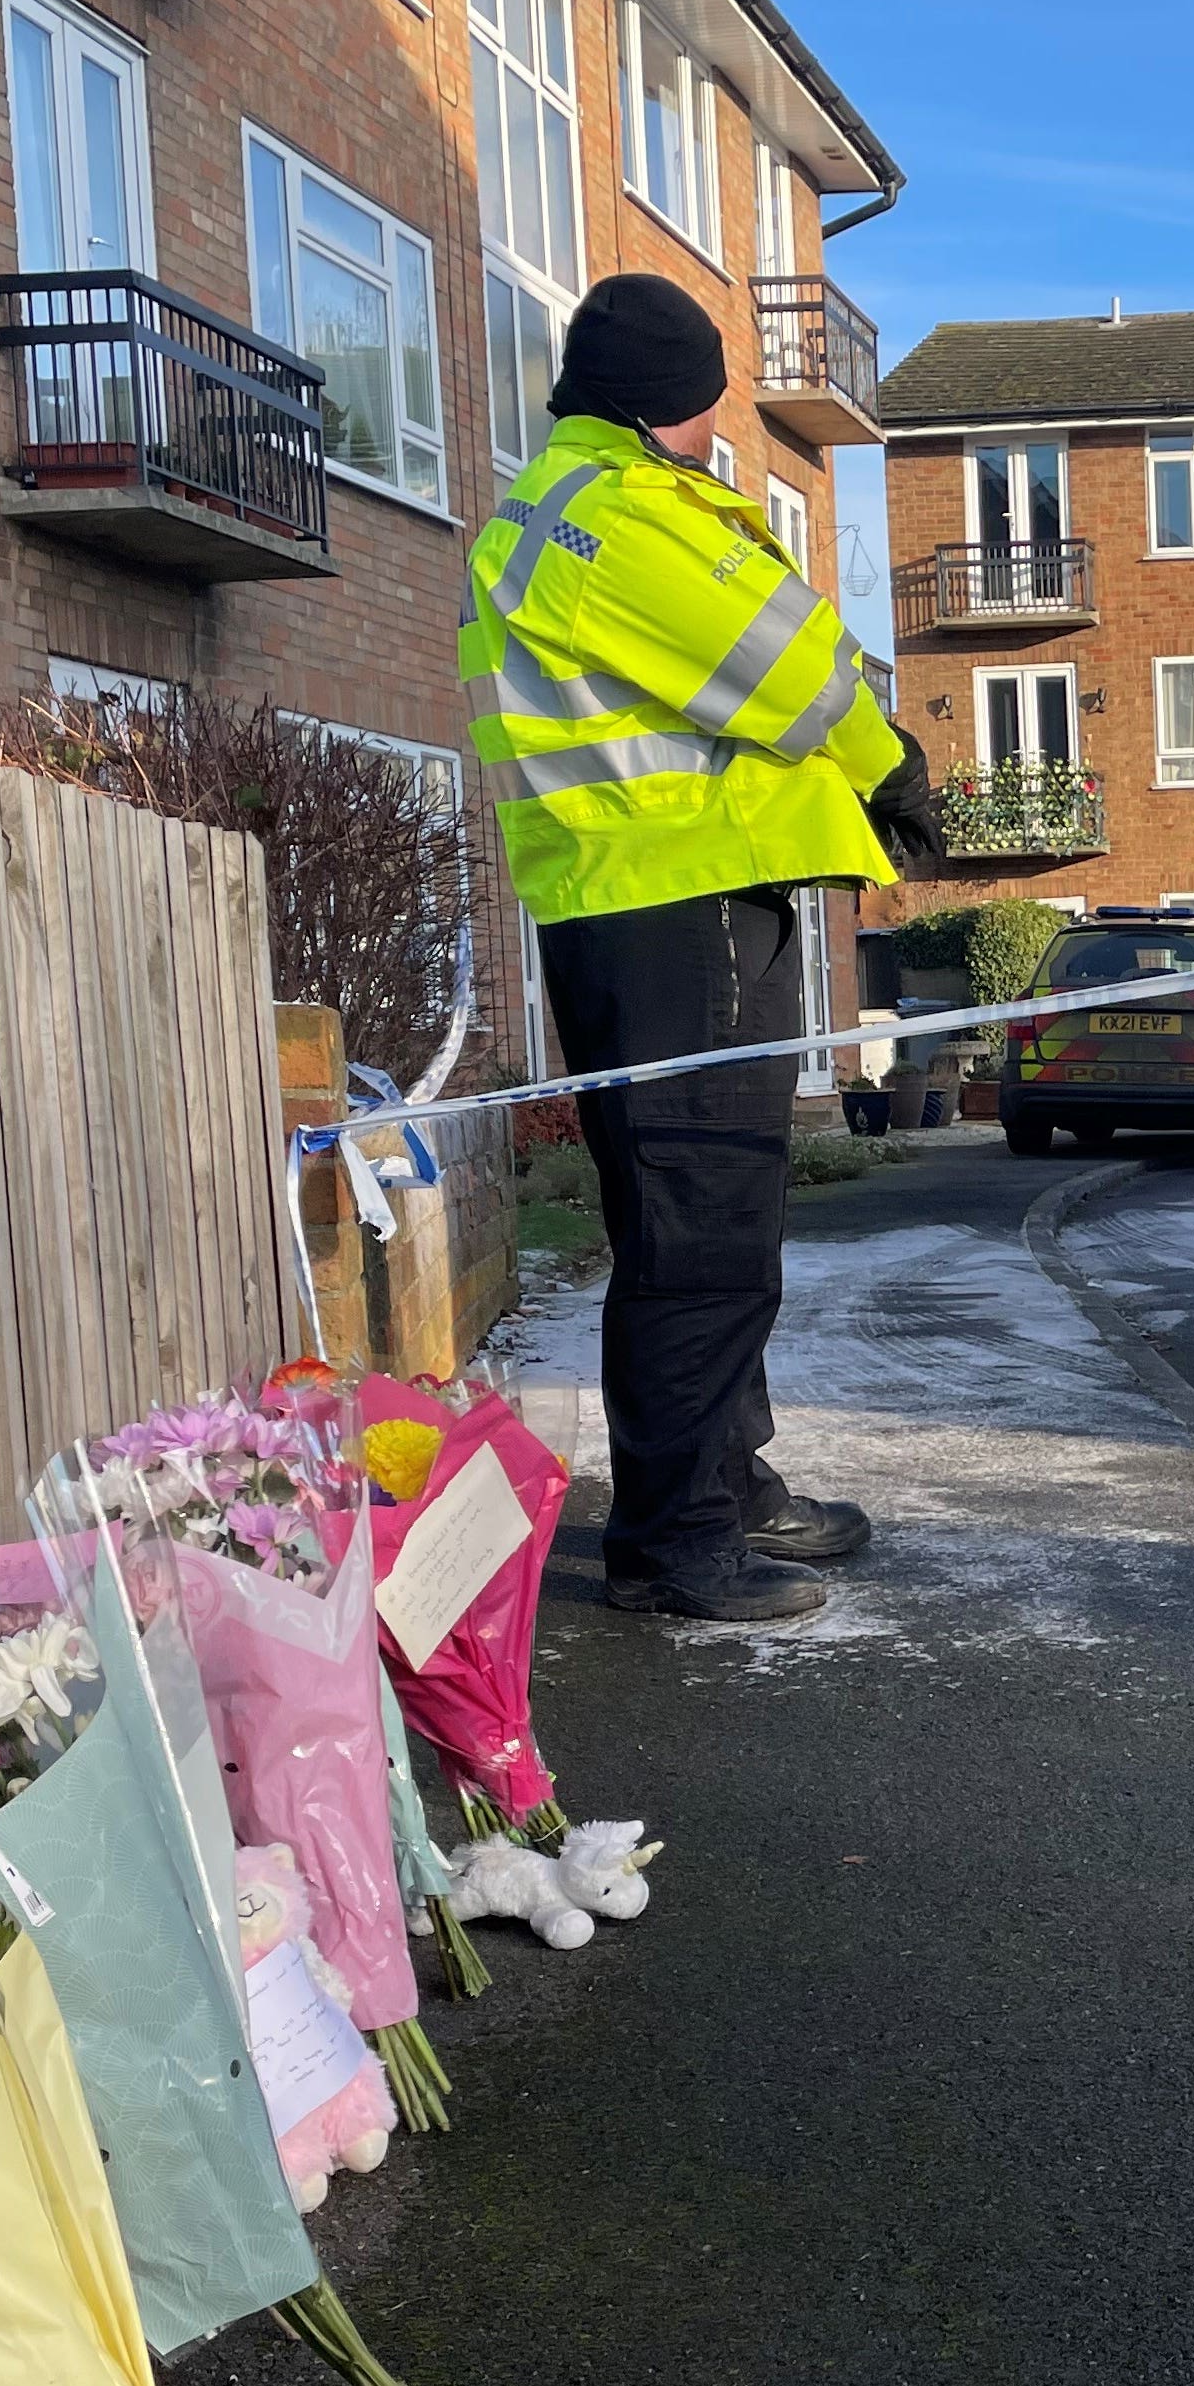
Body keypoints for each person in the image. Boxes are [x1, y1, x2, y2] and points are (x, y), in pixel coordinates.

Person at [463, 273, 941, 1623]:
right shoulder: (620, 516)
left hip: (627, 905)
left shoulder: (547, 511)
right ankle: (678, 1541)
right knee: (705, 1230)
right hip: (682, 900)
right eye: (713, 390)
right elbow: (794, 670)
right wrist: (894, 762)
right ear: (685, 395)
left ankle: (727, 1487)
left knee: (694, 1220)